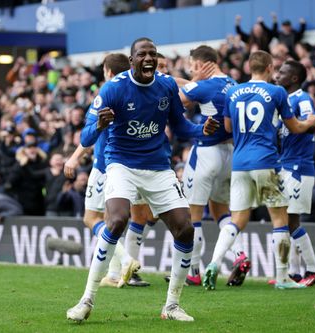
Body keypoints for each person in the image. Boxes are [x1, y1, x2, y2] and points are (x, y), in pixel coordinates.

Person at [67, 37, 219, 323]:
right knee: (116, 220)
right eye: (142, 54)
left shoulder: (166, 86)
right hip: (121, 164)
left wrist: (202, 131)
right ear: (132, 59)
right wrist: (99, 124)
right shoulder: (113, 88)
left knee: (185, 230)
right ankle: (86, 300)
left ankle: (172, 305)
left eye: (153, 54)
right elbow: (86, 136)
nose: (148, 58)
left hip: (158, 167)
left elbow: (180, 126)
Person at [203, 50, 315, 291]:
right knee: (280, 219)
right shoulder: (276, 92)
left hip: (240, 162)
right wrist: (310, 122)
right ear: (268, 67)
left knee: (236, 219)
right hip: (266, 161)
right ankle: (283, 277)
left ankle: (214, 263)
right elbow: (295, 126)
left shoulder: (234, 92)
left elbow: (227, 126)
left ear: (248, 66)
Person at [63, 53, 140, 288]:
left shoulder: (107, 93)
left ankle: (126, 259)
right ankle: (115, 273)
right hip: (134, 166)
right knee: (113, 219)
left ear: (107, 71)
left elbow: (89, 135)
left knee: (92, 218)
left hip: (106, 165)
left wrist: (74, 159)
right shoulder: (137, 92)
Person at [178, 45, 249, 286]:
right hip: (230, 153)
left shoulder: (202, 85)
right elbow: (192, 86)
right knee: (221, 211)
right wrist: (189, 79)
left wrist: (192, 80)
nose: (190, 70)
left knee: (193, 215)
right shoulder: (232, 83)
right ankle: (239, 255)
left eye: (192, 66)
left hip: (206, 152)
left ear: (199, 65)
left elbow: (176, 99)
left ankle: (194, 271)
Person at [274, 60, 315, 286]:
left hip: (298, 167)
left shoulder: (301, 98)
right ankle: (294, 273)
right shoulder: (286, 100)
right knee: (285, 219)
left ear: (294, 78)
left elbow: (312, 123)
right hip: (288, 163)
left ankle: (314, 270)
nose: (277, 75)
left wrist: (305, 123)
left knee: (291, 220)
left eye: (282, 72)